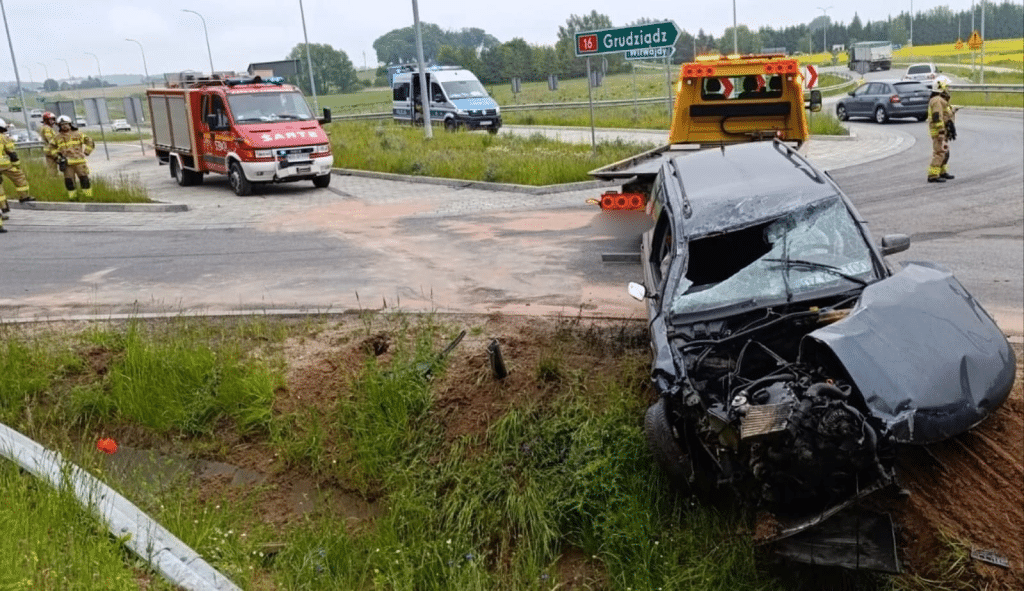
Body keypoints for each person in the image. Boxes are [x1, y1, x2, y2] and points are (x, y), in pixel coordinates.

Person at [0, 117, 36, 233]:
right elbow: (12, 153)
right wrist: (17, 164)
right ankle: (23, 197)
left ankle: (4, 209)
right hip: (5, 165)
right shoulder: (4, 138)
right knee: (19, 177)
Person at [48, 115, 95, 201]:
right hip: (67, 164)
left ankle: (88, 198)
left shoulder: (78, 134)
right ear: (59, 126)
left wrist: (87, 152)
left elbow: (90, 141)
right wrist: (57, 157)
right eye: (62, 125)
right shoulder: (57, 137)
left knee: (84, 180)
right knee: (69, 182)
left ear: (70, 124)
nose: (64, 126)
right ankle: (73, 199)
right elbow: (50, 148)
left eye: (66, 124)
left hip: (79, 163)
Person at [926, 78, 955, 183]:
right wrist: (941, 133)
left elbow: (945, 114)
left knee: (944, 152)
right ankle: (933, 175)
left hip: (943, 131)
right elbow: (937, 118)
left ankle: (942, 172)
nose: (948, 88)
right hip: (939, 132)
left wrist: (952, 111)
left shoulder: (940, 100)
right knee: (939, 153)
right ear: (940, 87)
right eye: (946, 86)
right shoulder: (937, 100)